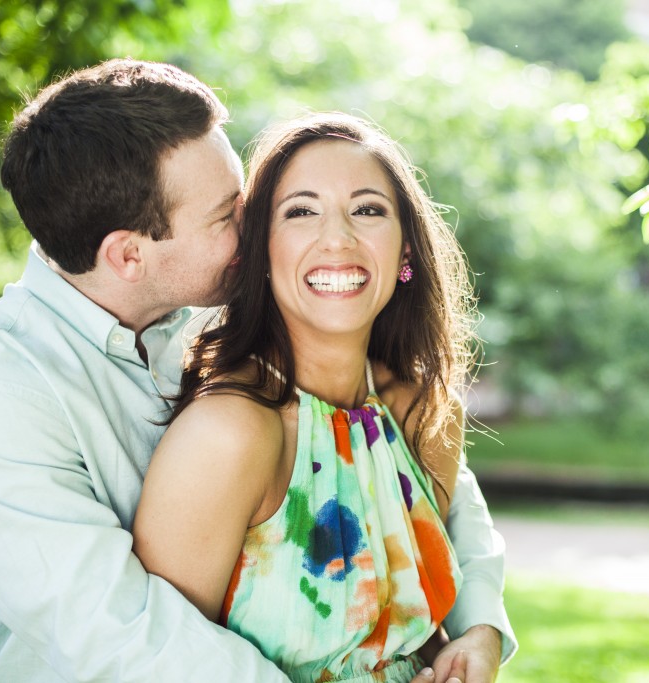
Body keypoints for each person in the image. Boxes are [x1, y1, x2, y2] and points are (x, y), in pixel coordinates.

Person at [0, 59, 515, 682]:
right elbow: (120, 638)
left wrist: (481, 624)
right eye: (231, 214)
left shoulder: (213, 322)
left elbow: (416, 492)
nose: (255, 228)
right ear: (128, 254)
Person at [133, 113, 514, 683]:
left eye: (367, 209)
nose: (337, 238)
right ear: (260, 251)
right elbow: (159, 664)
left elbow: (399, 629)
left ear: (405, 249)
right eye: (301, 211)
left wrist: (466, 647)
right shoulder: (231, 432)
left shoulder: (423, 412)